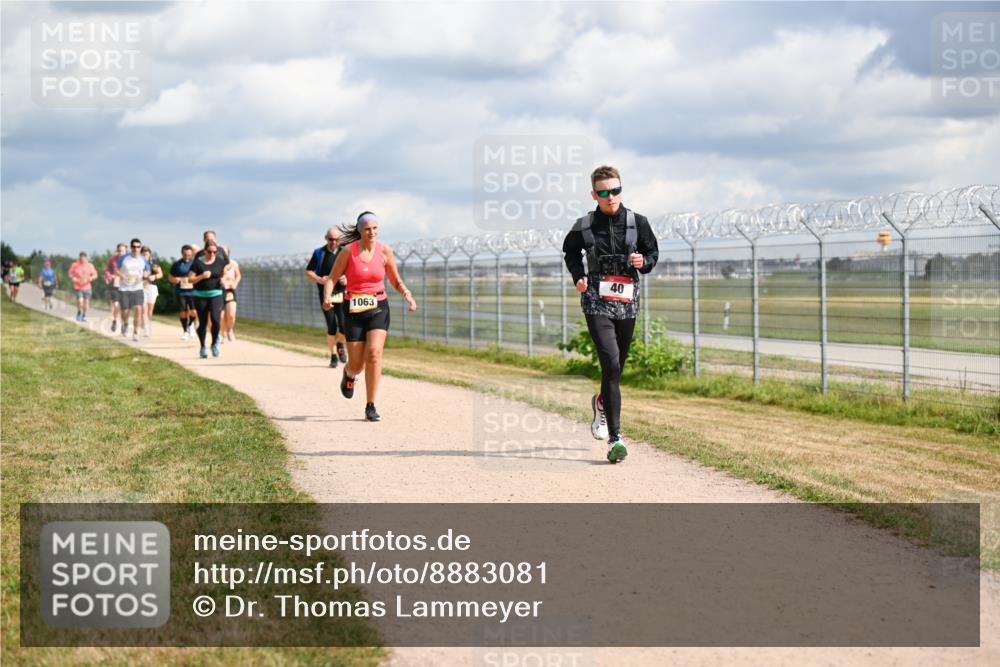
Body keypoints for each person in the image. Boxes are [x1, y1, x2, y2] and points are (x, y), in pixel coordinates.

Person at [562, 165, 658, 464]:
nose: (610, 196)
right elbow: (570, 252)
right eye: (603, 192)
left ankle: (601, 402)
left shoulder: (637, 222)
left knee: (617, 367)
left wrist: (644, 261)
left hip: (627, 300)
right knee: (611, 361)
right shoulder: (584, 225)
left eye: (615, 190)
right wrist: (578, 276)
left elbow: (653, 253)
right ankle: (615, 438)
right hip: (596, 300)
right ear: (594, 194)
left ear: (621, 189)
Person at [323, 211, 417, 421]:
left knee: (374, 354)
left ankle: (370, 405)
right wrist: (328, 297)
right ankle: (348, 373)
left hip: (378, 307)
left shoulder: (384, 251)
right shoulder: (348, 252)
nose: (372, 232)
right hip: (353, 309)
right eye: (367, 229)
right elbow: (331, 279)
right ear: (360, 230)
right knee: (357, 364)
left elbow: (395, 279)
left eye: (375, 228)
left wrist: (407, 295)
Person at [306, 226, 348, 367]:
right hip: (326, 295)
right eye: (331, 239)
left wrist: (346, 278)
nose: (334, 242)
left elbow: (353, 271)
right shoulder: (319, 253)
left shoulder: (345, 252)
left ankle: (340, 343)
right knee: (332, 325)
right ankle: (333, 355)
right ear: (326, 238)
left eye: (336, 239)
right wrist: (319, 279)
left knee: (343, 325)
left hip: (341, 293)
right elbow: (309, 271)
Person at [188, 240, 229, 358]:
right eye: (210, 252)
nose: (212, 254)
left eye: (214, 252)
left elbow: (224, 272)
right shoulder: (197, 263)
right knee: (203, 323)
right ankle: (202, 347)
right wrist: (201, 276)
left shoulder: (220, 261)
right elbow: (190, 279)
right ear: (204, 251)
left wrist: (223, 279)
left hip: (216, 294)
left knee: (216, 320)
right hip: (200, 296)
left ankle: (214, 344)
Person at [116, 238, 151, 342]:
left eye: (138, 247)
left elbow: (148, 270)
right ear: (131, 247)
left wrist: (146, 274)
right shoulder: (123, 258)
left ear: (140, 248)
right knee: (125, 311)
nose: (136, 249)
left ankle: (136, 332)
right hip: (124, 288)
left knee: (138, 309)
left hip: (138, 288)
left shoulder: (143, 259)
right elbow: (116, 269)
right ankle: (125, 324)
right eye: (134, 247)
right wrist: (122, 275)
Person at [168, 245, 199, 340]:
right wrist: (175, 280)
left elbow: (199, 276)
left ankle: (190, 325)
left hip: (193, 292)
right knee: (183, 313)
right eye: (185, 254)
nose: (187, 256)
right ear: (182, 253)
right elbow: (170, 277)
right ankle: (185, 331)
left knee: (194, 312)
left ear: (192, 254)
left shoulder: (195, 263)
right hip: (181, 292)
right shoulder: (177, 264)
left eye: (189, 255)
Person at [104, 243, 127, 333]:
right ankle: (115, 321)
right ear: (117, 251)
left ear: (126, 251)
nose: (121, 252)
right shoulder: (112, 259)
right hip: (115, 285)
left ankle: (123, 324)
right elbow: (106, 269)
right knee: (116, 305)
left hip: (126, 285)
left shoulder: (129, 260)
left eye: (123, 251)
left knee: (124, 308)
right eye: (119, 251)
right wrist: (109, 275)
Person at [68, 252, 98, 322]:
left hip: (87, 287)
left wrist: (91, 278)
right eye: (81, 258)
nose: (82, 260)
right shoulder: (75, 265)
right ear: (79, 258)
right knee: (80, 301)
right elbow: (70, 273)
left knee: (86, 304)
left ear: (86, 258)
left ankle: (84, 315)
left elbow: (95, 274)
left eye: (84, 258)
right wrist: (73, 278)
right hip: (78, 287)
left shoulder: (90, 265)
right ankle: (79, 312)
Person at [141, 246, 163, 337]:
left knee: (150, 310)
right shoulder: (138, 262)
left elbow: (160, 274)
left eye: (147, 253)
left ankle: (146, 324)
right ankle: (145, 328)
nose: (145, 254)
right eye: (143, 253)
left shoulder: (154, 262)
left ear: (150, 253)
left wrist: (155, 276)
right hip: (141, 286)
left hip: (152, 287)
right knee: (143, 308)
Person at [219, 251, 241, 342]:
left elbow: (238, 275)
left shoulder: (234, 263)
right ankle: (222, 334)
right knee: (221, 316)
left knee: (231, 314)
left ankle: (229, 330)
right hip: (219, 291)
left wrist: (235, 283)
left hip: (229, 290)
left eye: (225, 252)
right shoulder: (215, 264)